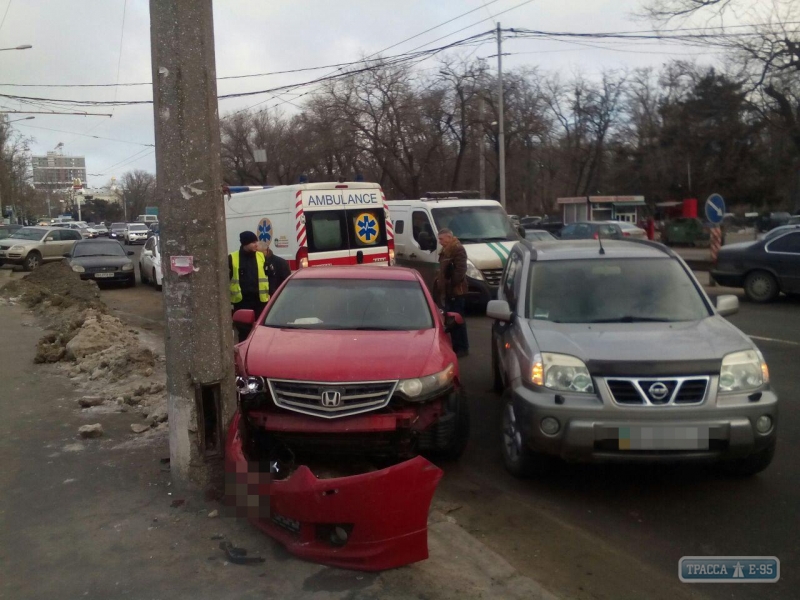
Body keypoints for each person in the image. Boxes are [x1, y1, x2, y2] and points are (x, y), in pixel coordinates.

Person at [229, 231, 270, 340]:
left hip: (260, 301)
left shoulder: (261, 256)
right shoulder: (232, 258)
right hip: (242, 302)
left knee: (260, 332)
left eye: (256, 241)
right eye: (253, 242)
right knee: (244, 333)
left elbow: (268, 276)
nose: (256, 244)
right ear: (245, 244)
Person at [435, 227, 469, 357]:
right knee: (452, 319)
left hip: (457, 291)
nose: (440, 242)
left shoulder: (457, 249)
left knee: (457, 319)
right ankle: (456, 346)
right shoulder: (446, 250)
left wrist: (451, 283)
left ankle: (462, 347)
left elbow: (460, 270)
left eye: (441, 239)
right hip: (449, 290)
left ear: (449, 237)